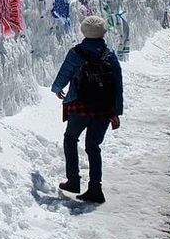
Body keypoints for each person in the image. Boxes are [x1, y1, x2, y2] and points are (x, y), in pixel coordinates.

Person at [51, 16, 123, 204]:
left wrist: (57, 89)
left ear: (84, 32)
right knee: (93, 147)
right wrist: (115, 111)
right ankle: (95, 188)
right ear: (103, 33)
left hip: (80, 105)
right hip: (103, 109)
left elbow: (64, 74)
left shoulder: (76, 53)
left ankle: (73, 180)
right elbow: (117, 85)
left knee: (70, 138)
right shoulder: (110, 54)